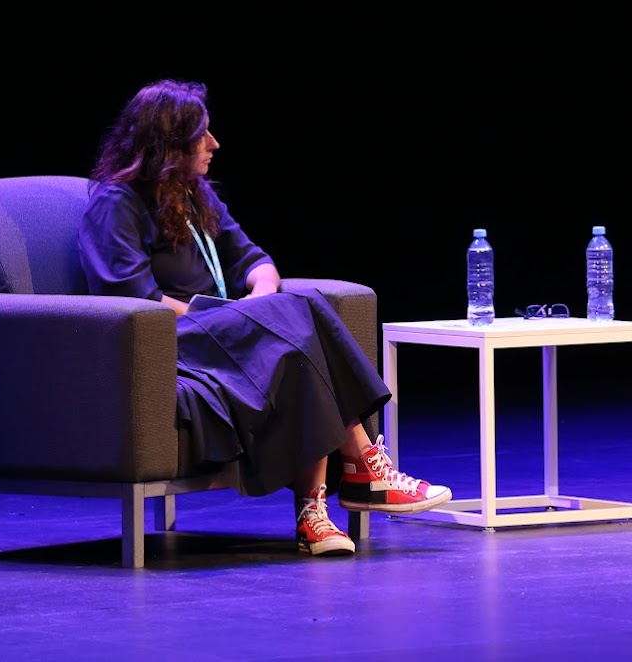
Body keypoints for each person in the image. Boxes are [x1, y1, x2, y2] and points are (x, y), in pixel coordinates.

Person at [78, 78, 451, 558]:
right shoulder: (116, 204)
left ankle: (316, 514)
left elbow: (255, 261)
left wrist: (259, 301)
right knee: (298, 316)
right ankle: (362, 468)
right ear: (168, 145)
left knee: (299, 323)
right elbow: (134, 301)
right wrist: (238, 316)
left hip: (224, 330)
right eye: (201, 135)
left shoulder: (193, 196)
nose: (214, 144)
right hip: (169, 341)